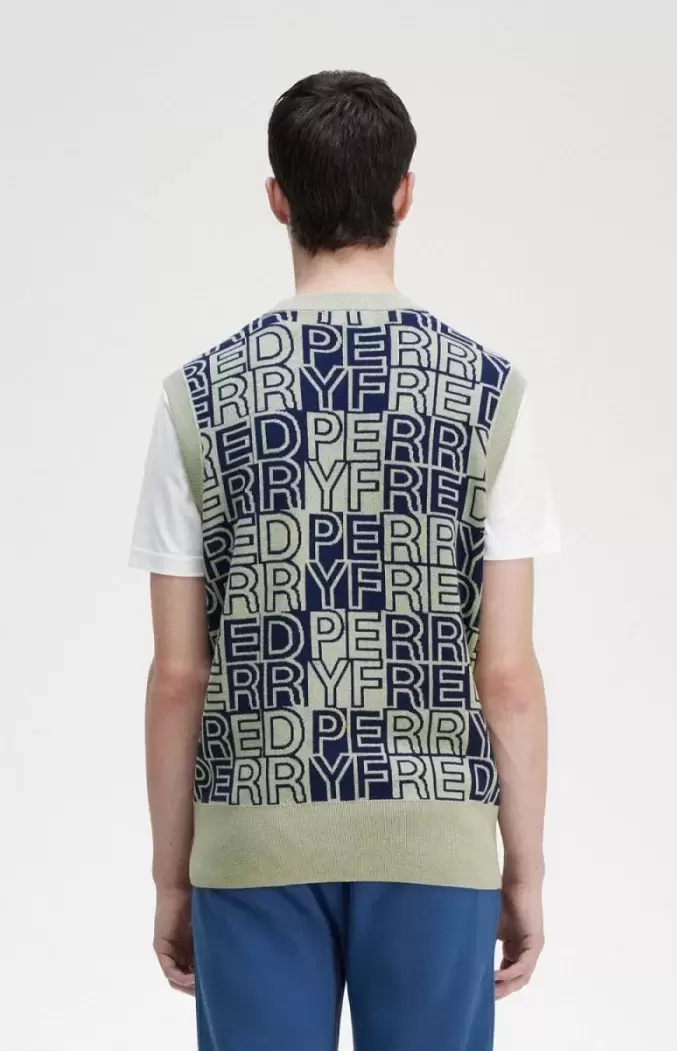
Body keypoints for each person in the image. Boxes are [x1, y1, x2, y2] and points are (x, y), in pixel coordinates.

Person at [129, 69, 559, 1051]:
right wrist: (523, 869)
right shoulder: (490, 398)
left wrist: (171, 873)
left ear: (277, 198)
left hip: (253, 833)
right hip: (435, 829)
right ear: (404, 194)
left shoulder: (198, 401)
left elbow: (178, 674)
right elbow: (507, 675)